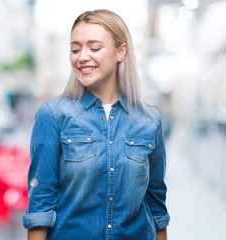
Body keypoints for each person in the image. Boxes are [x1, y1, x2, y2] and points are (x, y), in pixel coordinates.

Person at [22, 9, 170, 240]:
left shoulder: (149, 120)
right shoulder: (52, 115)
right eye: (75, 48)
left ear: (121, 52)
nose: (82, 57)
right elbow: (40, 206)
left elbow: (156, 203)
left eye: (94, 47)